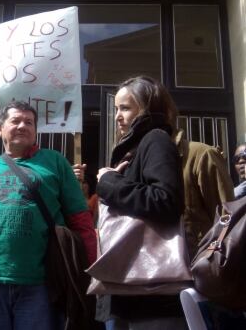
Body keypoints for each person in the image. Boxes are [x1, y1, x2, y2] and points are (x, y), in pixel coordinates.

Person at [0, 101, 96, 330]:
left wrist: (89, 272)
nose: (22, 126)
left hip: (42, 286)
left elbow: (81, 222)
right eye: (15, 121)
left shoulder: (56, 162)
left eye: (29, 122)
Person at [95, 76, 186, 329]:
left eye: (125, 108)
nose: (117, 117)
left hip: (149, 295)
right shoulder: (132, 148)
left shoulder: (155, 139)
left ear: (147, 108)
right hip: (129, 289)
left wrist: (109, 182)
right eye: (116, 109)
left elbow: (166, 201)